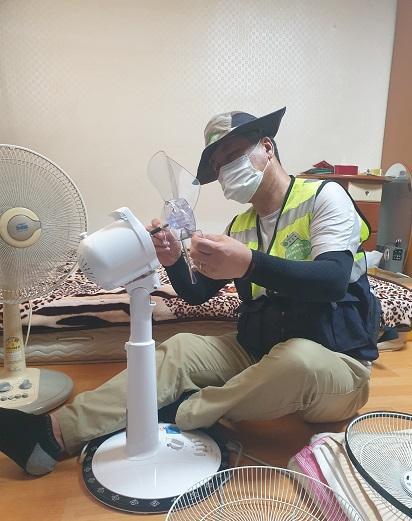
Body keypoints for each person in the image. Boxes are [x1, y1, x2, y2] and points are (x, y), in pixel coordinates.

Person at [0, 107, 381, 476]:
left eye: (233, 155)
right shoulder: (241, 225)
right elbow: (197, 294)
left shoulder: (323, 196)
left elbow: (332, 280)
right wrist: (174, 260)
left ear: (267, 147)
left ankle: (181, 413)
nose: (225, 169)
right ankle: (50, 433)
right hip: (261, 350)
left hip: (334, 364)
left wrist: (249, 263)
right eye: (218, 165)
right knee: (181, 348)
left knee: (297, 359)